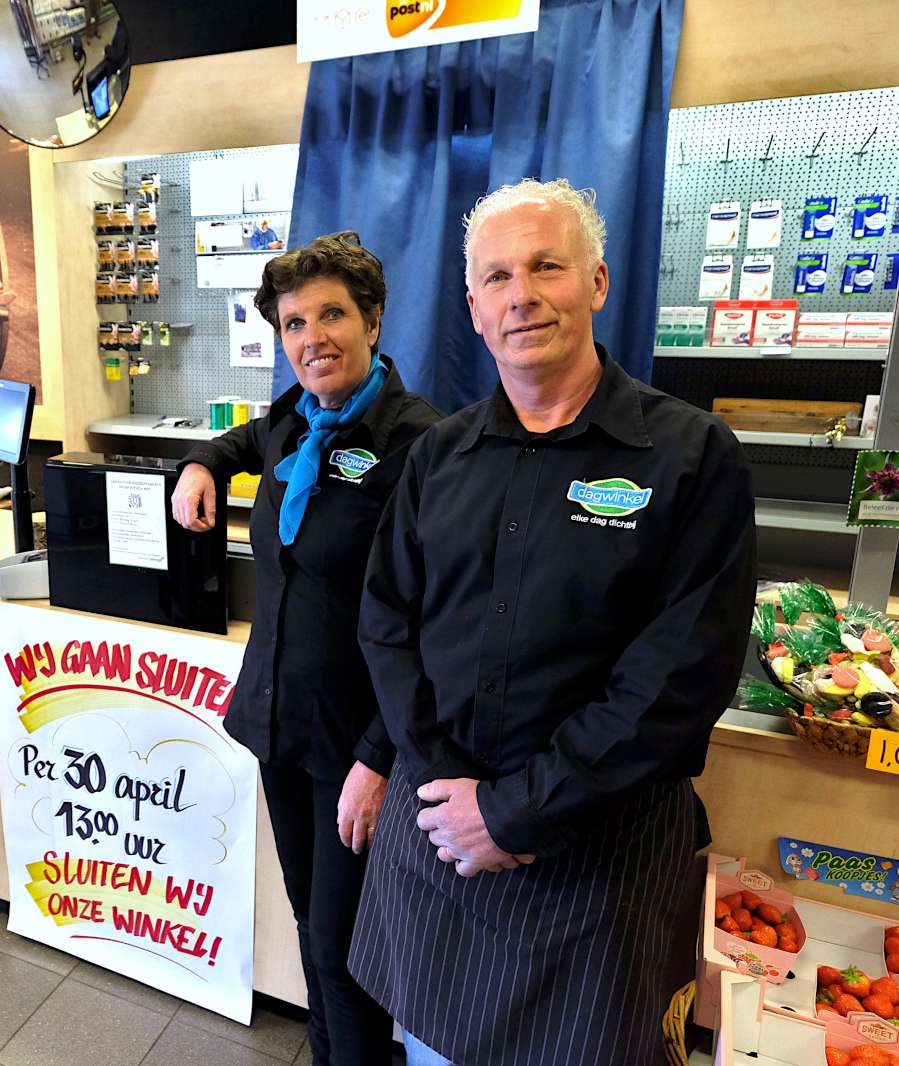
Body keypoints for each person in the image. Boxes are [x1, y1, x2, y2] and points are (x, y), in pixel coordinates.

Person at [348, 178, 757, 1065]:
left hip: (596, 865)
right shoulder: (437, 460)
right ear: (472, 306)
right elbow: (388, 624)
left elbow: (679, 680)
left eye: (546, 267)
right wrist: (437, 784)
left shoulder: (690, 457)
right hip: (441, 839)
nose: (521, 294)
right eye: (497, 277)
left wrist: (517, 813)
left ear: (598, 283)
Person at [170, 231, 442, 1066]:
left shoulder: (421, 443)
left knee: (342, 948)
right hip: (278, 725)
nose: (312, 337)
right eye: (293, 323)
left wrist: (378, 756)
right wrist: (200, 464)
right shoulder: (296, 420)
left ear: (373, 321)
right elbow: (244, 440)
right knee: (306, 920)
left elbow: (440, 625)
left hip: (355, 746)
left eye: (331, 315)